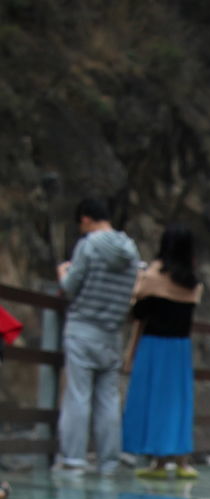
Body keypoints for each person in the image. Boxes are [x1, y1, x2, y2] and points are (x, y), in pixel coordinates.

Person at [55, 197, 140, 475]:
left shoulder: (87, 246)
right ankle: (109, 461)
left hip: (83, 327)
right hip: (112, 332)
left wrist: (62, 273)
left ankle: (74, 459)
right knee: (108, 398)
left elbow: (71, 286)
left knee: (78, 395)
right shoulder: (130, 250)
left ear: (86, 219)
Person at [122, 225, 203, 479]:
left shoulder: (153, 277)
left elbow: (137, 312)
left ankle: (158, 459)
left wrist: (143, 277)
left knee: (153, 401)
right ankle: (181, 460)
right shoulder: (192, 282)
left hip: (153, 346)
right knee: (178, 402)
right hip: (179, 348)